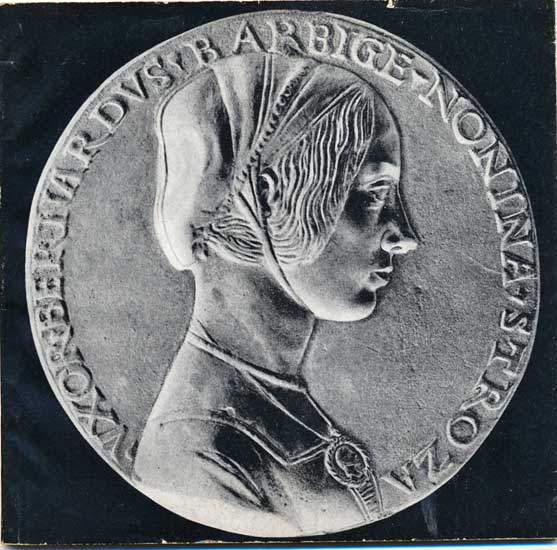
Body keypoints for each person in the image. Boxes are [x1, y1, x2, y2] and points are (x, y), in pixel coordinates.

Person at [134, 52, 417, 536]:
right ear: (267, 198)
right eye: (374, 193)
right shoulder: (199, 455)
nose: (404, 235)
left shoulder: (267, 409)